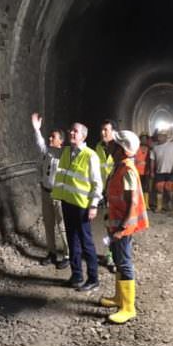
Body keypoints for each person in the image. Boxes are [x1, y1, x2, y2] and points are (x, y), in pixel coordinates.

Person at [100, 130, 149, 324]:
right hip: (116, 222)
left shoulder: (127, 170)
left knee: (125, 263)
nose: (109, 146)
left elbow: (132, 202)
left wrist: (121, 228)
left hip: (123, 226)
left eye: (113, 144)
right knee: (119, 261)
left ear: (121, 149)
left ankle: (128, 308)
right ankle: (119, 298)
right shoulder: (119, 166)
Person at [52, 122, 103, 291]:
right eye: (70, 130)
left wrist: (94, 205)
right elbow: (46, 151)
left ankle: (93, 278)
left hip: (82, 206)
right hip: (67, 203)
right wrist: (37, 130)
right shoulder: (66, 152)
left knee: (86, 242)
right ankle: (76, 275)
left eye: (75, 131)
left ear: (83, 136)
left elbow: (97, 183)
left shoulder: (90, 155)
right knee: (72, 241)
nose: (72, 133)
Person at [31, 113, 70, 269]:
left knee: (62, 226)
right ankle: (51, 252)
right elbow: (40, 145)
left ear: (61, 141)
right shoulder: (48, 153)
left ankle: (67, 255)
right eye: (50, 137)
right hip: (46, 192)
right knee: (48, 225)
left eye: (53, 137)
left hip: (58, 195)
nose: (50, 139)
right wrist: (36, 130)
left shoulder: (64, 155)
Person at [95, 119, 117, 272]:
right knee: (108, 225)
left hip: (117, 194)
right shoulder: (98, 147)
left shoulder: (120, 148)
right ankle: (111, 255)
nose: (103, 133)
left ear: (114, 131)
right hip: (105, 192)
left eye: (106, 130)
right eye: (102, 129)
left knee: (118, 226)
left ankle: (118, 256)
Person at [150, 130, 173, 212]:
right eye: (158, 135)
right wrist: (152, 171)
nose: (159, 137)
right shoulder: (155, 148)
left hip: (171, 171)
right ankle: (159, 206)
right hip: (159, 171)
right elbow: (152, 160)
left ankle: (169, 203)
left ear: (165, 137)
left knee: (170, 188)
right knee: (159, 188)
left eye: (161, 135)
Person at [135, 132, 151, 210]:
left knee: (146, 188)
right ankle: (138, 203)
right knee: (137, 188)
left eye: (145, 138)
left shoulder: (150, 149)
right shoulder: (136, 148)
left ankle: (146, 204)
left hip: (146, 172)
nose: (144, 140)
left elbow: (152, 161)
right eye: (142, 138)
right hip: (137, 171)